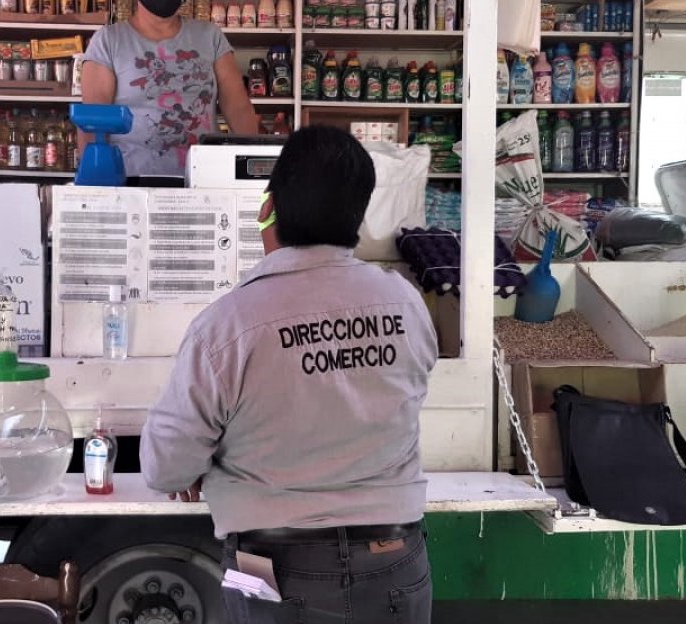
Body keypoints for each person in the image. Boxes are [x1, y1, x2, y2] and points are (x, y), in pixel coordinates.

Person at [140, 126, 439, 623]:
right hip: (395, 556)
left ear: (267, 209)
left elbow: (164, 468)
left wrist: (207, 459)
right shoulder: (405, 303)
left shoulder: (226, 327)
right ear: (358, 217)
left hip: (268, 564)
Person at [80, 0, 260, 177]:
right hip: (132, 183)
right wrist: (94, 186)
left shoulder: (210, 35)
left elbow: (239, 109)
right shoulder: (108, 41)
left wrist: (260, 172)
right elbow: (93, 123)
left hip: (203, 180)